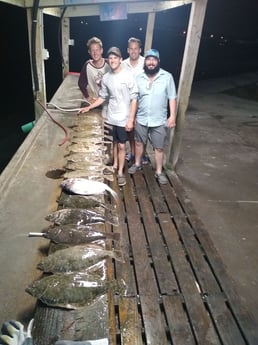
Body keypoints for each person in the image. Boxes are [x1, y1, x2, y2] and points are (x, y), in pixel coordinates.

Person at [78, 47, 138, 187]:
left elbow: (134, 99)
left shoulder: (128, 76)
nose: (112, 60)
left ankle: (121, 173)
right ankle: (115, 165)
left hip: (124, 117)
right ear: (108, 60)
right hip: (112, 116)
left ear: (120, 59)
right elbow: (102, 97)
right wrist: (88, 107)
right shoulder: (106, 78)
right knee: (115, 143)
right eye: (110, 58)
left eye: (115, 58)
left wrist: (131, 119)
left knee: (123, 146)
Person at [128, 49, 177, 185]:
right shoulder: (139, 78)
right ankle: (137, 163)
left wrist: (172, 116)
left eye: (154, 60)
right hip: (142, 118)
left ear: (158, 62)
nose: (151, 62)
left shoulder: (167, 77)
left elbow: (172, 98)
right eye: (148, 59)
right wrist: (132, 117)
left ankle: (159, 172)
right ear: (145, 62)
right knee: (139, 143)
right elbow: (135, 99)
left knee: (159, 148)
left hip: (159, 120)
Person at [122, 37, 149, 165]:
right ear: (128, 50)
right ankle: (132, 152)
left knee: (143, 129)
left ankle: (143, 155)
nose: (133, 51)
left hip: (143, 102)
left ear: (140, 50)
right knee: (131, 129)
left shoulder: (146, 62)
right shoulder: (123, 64)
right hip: (128, 102)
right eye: (131, 49)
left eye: (136, 49)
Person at [78, 36, 110, 104]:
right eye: (92, 50)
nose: (95, 53)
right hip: (94, 101)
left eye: (97, 50)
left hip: (108, 102)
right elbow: (81, 84)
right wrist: (87, 97)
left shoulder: (109, 63)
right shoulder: (87, 65)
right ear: (89, 51)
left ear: (101, 50)